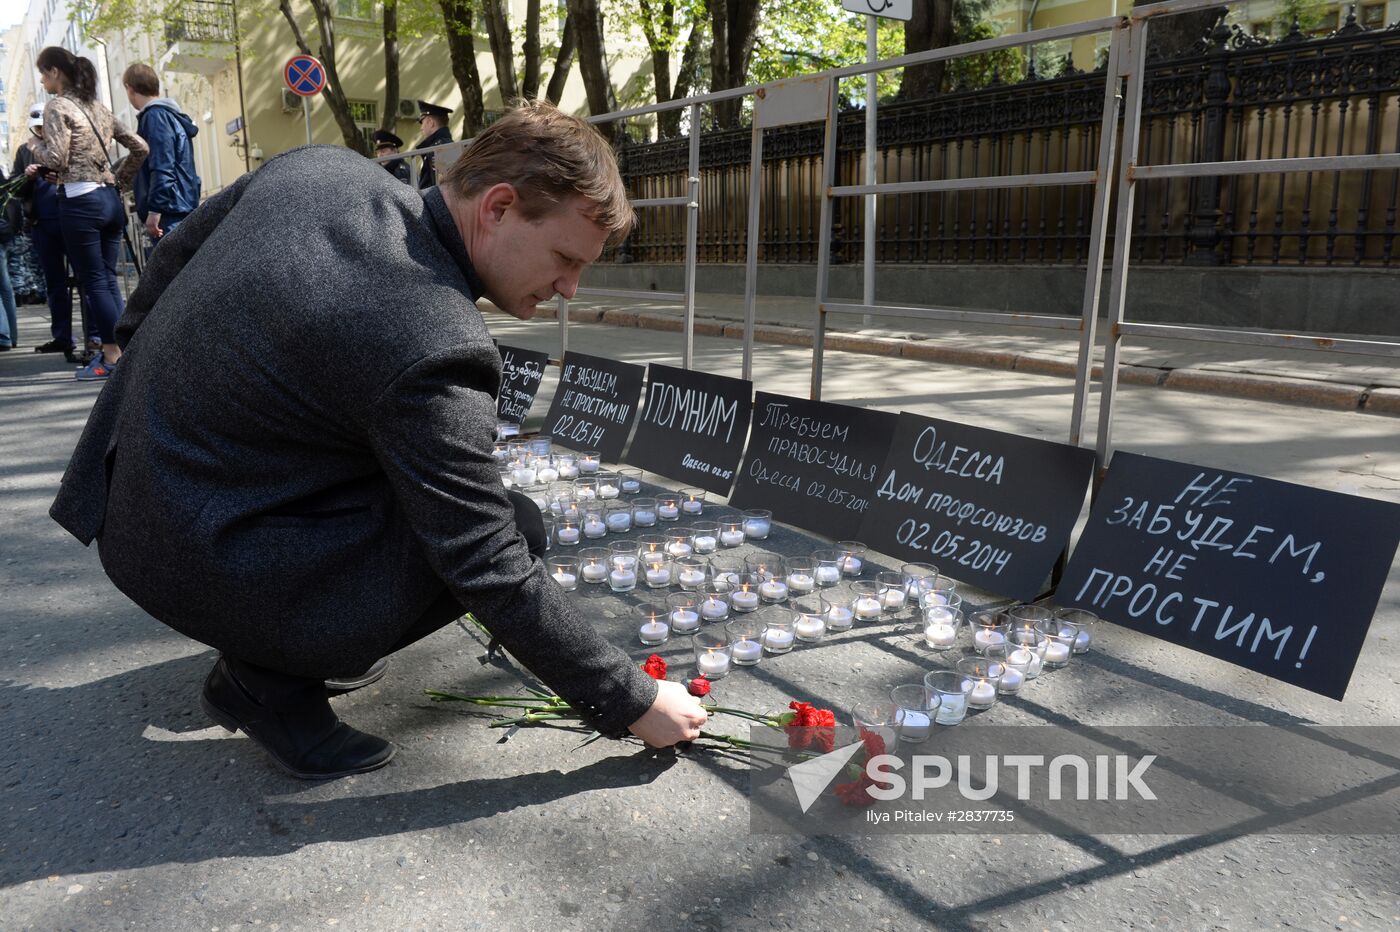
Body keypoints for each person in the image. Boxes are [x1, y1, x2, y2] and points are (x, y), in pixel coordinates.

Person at [50, 101, 707, 781]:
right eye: (566, 259)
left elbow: (176, 253)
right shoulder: (431, 333)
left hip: (125, 486)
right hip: (193, 552)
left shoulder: (319, 168)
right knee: (517, 525)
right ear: (499, 207)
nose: (570, 289)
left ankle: (296, 635)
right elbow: (484, 557)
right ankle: (268, 681)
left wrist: (131, 348)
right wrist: (630, 698)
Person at [30, 46, 148, 381]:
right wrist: (120, 181)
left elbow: (54, 157)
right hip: (109, 199)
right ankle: (127, 352)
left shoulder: (58, 106)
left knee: (95, 281)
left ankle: (111, 357)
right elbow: (140, 147)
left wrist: (34, 148)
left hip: (80, 202)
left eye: (43, 73)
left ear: (55, 72)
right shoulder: (98, 108)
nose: (41, 80)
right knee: (108, 279)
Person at [14, 104, 79, 361]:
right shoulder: (25, 150)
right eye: (38, 127)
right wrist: (27, 177)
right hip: (42, 224)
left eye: (45, 126)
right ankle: (63, 336)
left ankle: (97, 337)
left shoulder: (68, 143)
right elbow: (15, 188)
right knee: (55, 284)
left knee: (86, 281)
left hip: (71, 219)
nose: (42, 131)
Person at [122, 63, 201, 245]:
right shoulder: (171, 115)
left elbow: (162, 165)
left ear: (130, 89)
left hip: (168, 212)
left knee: (170, 271)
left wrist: (154, 210)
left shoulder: (155, 117)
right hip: (180, 207)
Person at [411, 100, 454, 189]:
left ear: (430, 122)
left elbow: (446, 189)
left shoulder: (442, 148)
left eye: (422, 123)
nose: (421, 128)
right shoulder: (439, 146)